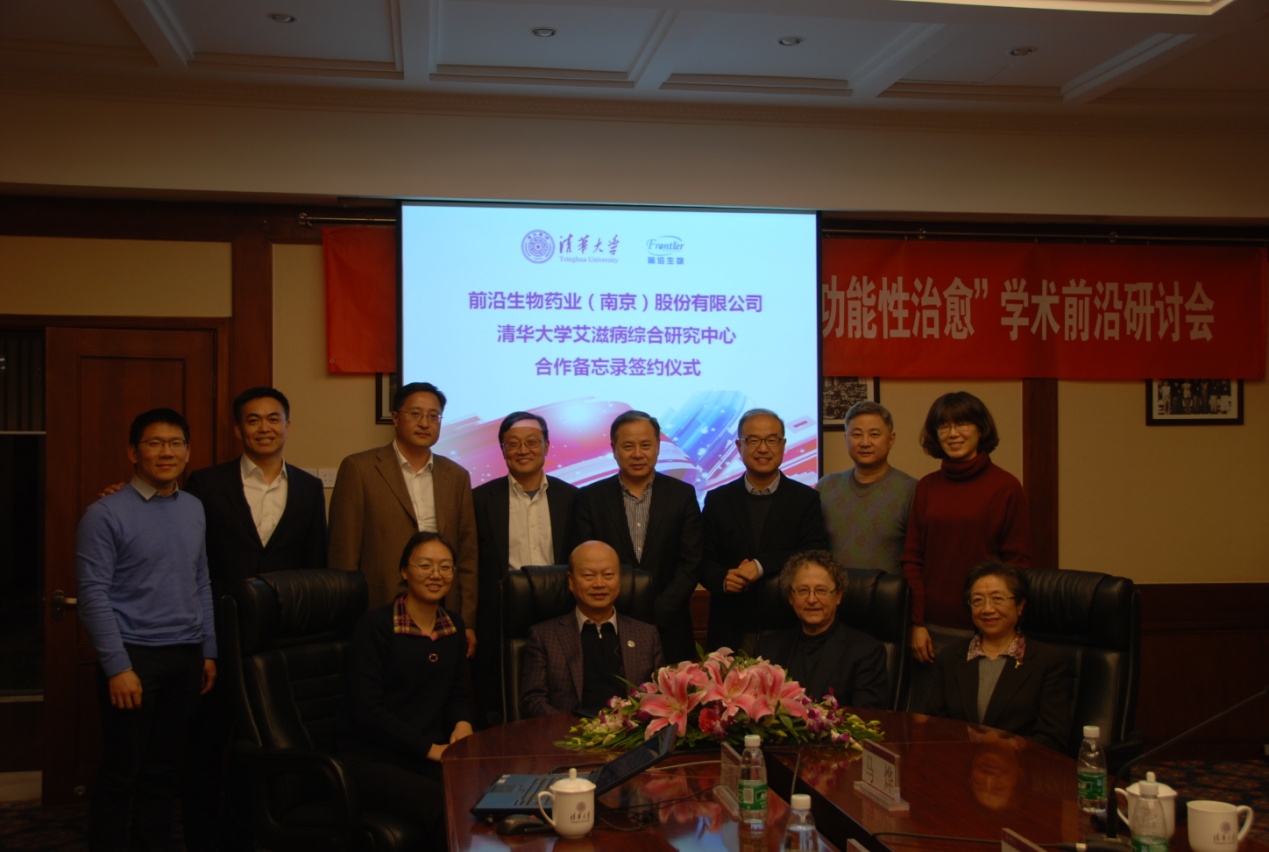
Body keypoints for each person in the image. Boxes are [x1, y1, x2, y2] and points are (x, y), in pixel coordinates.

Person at [180, 387, 328, 851]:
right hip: (220, 640)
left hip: (279, 646)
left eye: (273, 418)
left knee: (266, 747)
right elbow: (190, 562)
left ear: (287, 425)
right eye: (253, 419)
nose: (264, 428)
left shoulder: (307, 488)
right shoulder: (206, 484)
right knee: (207, 746)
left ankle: (250, 835)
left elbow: (314, 569)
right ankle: (204, 839)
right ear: (237, 428)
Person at [75, 408, 217, 852]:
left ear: (188, 452)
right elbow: (93, 594)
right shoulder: (105, 514)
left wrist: (208, 649)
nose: (166, 452)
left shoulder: (194, 508)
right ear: (133, 453)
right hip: (133, 658)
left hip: (186, 655)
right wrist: (117, 666)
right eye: (155, 443)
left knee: (163, 773)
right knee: (122, 772)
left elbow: (201, 580)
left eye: (176, 444)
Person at [338, 531, 473, 849]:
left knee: (482, 790)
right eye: (425, 565)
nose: (436, 575)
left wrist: (463, 723)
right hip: (372, 759)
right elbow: (367, 712)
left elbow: (458, 693)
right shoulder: (375, 627)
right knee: (446, 802)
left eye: (445, 567)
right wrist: (430, 749)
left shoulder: (453, 626)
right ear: (404, 571)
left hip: (424, 756)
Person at [329, 381, 478, 656]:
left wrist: (467, 620)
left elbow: (467, 554)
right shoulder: (359, 468)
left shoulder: (456, 476)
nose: (424, 423)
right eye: (416, 414)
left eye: (433, 416)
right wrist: (348, 621)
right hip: (378, 607)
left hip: (442, 611)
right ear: (396, 418)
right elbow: (344, 553)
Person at [902, 391, 1030, 683]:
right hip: (931, 629)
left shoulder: (1006, 487)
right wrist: (916, 623)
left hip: (988, 625)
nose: (953, 434)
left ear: (981, 429)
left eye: (962, 424)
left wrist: (999, 619)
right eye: (943, 426)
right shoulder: (927, 487)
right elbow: (912, 558)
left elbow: (1018, 563)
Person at [471, 411, 579, 725]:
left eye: (532, 442)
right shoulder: (480, 499)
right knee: (499, 702)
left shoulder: (572, 498)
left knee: (557, 695)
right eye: (513, 444)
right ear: (502, 449)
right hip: (499, 614)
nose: (523, 450)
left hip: (559, 610)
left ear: (546, 446)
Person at [572, 410, 702, 664]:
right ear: (614, 449)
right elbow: (583, 562)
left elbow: (691, 561)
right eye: (628, 446)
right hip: (608, 624)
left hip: (671, 626)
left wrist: (659, 613)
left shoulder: (682, 495)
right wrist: (618, 614)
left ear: (658, 447)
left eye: (646, 445)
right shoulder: (590, 498)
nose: (638, 454)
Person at [701, 408, 826, 654]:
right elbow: (702, 558)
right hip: (730, 627)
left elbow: (814, 553)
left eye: (771, 440)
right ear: (739, 446)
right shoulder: (718, 499)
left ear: (783, 445)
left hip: (788, 626)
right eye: (753, 440)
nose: (763, 448)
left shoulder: (805, 499)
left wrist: (760, 566)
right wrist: (723, 579)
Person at [929, 561, 1070, 752]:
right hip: (960, 762)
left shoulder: (1047, 661)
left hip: (1020, 766)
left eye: (997, 599)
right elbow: (935, 725)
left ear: (1020, 605)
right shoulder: (950, 657)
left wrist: (1007, 747)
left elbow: (1053, 737)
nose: (987, 609)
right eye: (978, 600)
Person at [520, 541, 664, 717]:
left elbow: (659, 697)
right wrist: (571, 728)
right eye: (588, 576)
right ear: (571, 581)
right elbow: (533, 700)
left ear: (619, 579)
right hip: (568, 732)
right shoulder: (544, 636)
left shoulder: (647, 635)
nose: (599, 584)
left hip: (629, 731)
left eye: (608, 575)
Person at [756, 550, 888, 708]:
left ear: (838, 596)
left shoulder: (867, 652)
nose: (812, 599)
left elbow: (866, 717)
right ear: (791, 597)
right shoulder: (767, 648)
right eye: (803, 590)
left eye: (821, 590)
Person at [817, 401, 917, 575]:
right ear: (846, 438)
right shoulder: (827, 486)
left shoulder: (911, 490)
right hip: (832, 591)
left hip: (889, 591)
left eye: (874, 434)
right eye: (856, 434)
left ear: (891, 439)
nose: (865, 442)